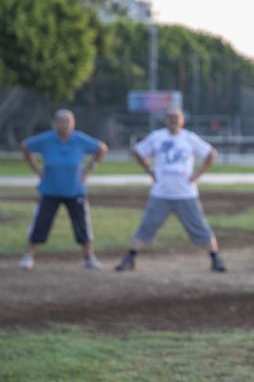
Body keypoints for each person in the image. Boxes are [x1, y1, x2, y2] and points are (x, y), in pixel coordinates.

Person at [114, 107, 226, 272]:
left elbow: (211, 154)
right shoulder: (157, 137)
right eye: (170, 117)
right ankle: (130, 257)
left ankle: (215, 258)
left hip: (185, 193)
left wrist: (197, 174)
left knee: (200, 226)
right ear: (165, 120)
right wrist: (150, 170)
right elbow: (137, 151)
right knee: (147, 225)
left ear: (182, 121)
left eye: (176, 118)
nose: (173, 120)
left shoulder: (189, 138)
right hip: (161, 192)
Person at [18, 109, 108, 270]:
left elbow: (101, 148)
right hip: (50, 190)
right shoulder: (47, 139)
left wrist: (89, 169)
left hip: (75, 190)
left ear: (73, 123)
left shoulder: (79, 139)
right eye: (60, 121)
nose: (64, 124)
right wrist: (37, 169)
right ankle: (29, 256)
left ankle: (89, 257)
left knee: (82, 224)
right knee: (40, 223)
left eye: (67, 121)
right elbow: (25, 146)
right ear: (55, 123)